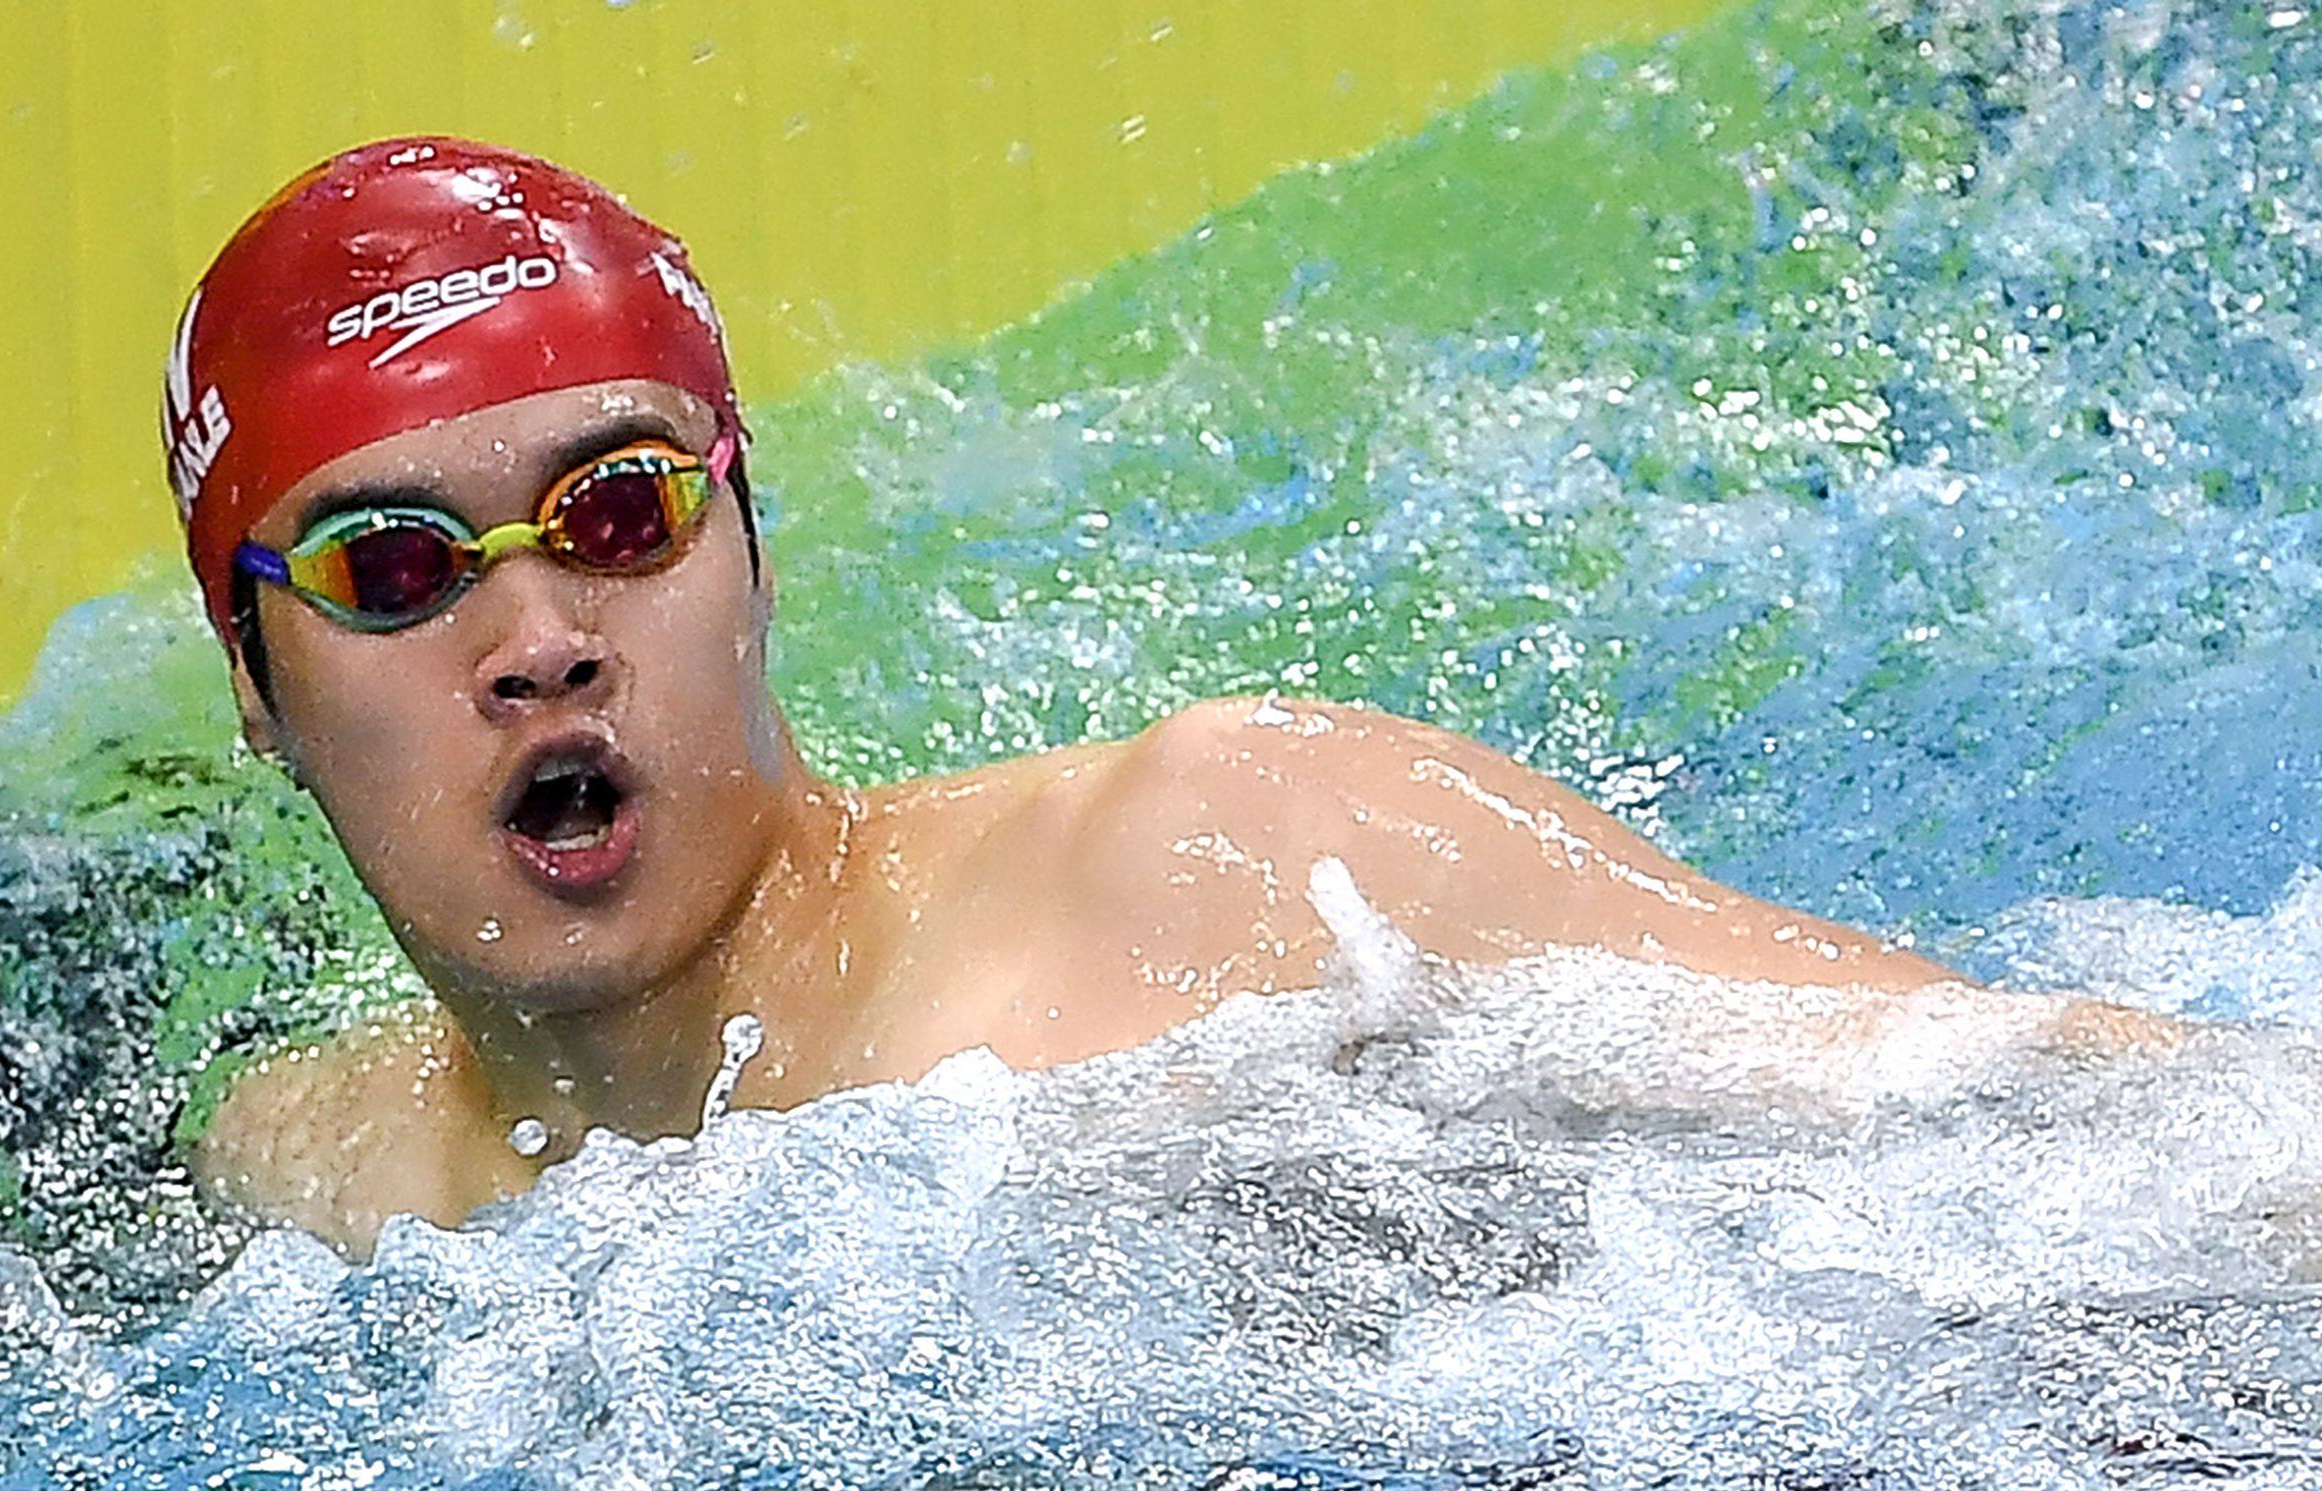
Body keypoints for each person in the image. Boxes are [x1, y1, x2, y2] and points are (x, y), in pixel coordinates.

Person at [167, 137, 1953, 1257]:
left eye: (624, 510)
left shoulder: (1242, 859)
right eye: (393, 567)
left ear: (754, 551)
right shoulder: (314, 1176)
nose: (544, 636)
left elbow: (2077, 1117)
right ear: (255, 680)